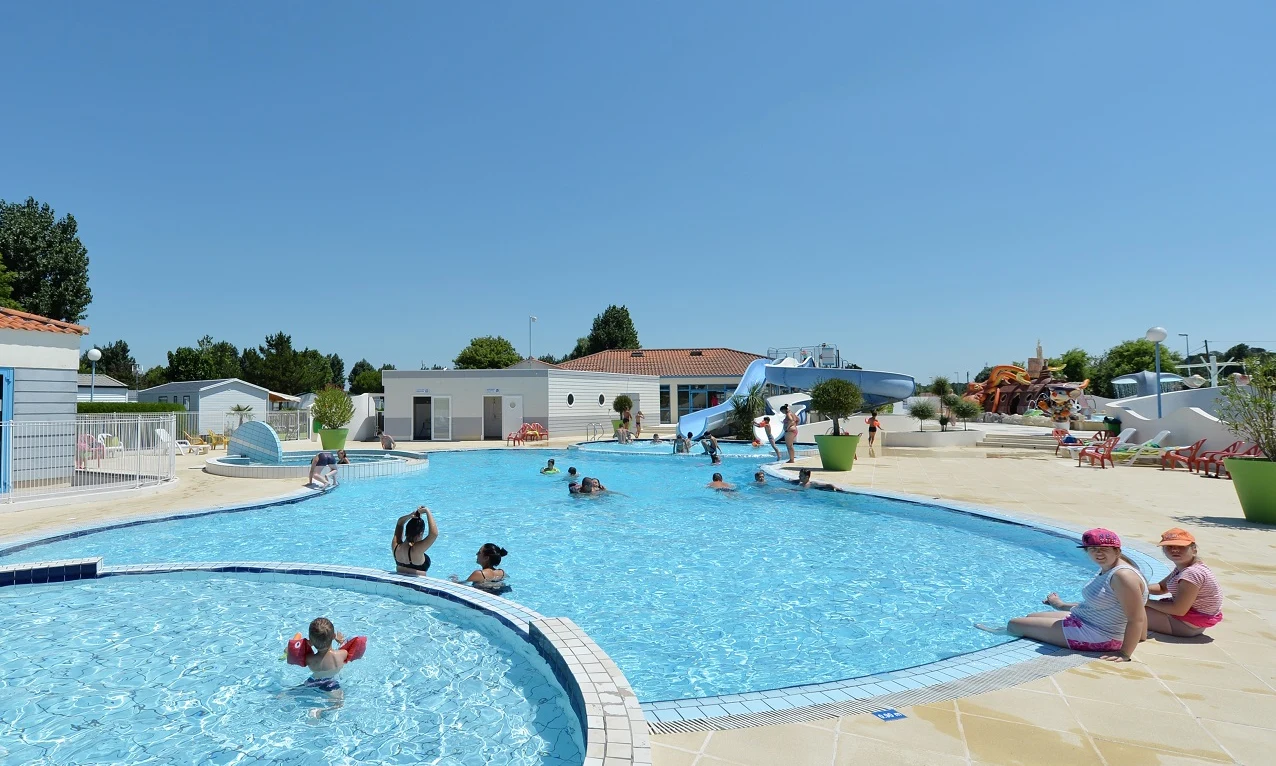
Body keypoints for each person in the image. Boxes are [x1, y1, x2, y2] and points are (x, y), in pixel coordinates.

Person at [980, 528, 1148, 661]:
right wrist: (1059, 604)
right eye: (1093, 549)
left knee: (1014, 624)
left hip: (1099, 635)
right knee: (1031, 615)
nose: (1098, 554)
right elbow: (1101, 604)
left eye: (1105, 549)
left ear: (1117, 550)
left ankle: (1001, 632)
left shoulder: (1123, 576)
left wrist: (1125, 653)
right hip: (1086, 621)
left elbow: (1137, 617)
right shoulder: (1109, 568)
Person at [1145, 528, 1224, 637]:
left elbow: (1179, 610)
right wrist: (1139, 587)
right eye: (1169, 547)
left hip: (1187, 625)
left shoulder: (1191, 574)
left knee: (1127, 610)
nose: (1175, 550)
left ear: (1194, 550)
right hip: (1193, 621)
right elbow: (1162, 588)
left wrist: (1144, 601)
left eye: (1181, 547)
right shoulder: (1184, 567)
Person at [300, 617, 350, 699]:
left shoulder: (309, 659)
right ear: (334, 636)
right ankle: (321, 709)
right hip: (330, 684)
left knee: (299, 689)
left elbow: (297, 656)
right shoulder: (342, 654)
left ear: (310, 642)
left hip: (312, 682)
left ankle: (284, 694)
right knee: (339, 703)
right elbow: (346, 650)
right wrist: (340, 642)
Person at [391, 507, 438, 576]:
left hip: (399, 582)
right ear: (420, 533)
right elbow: (434, 534)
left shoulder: (395, 546)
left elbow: (400, 523)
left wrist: (410, 516)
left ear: (406, 530)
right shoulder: (417, 549)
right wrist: (427, 511)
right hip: (418, 585)